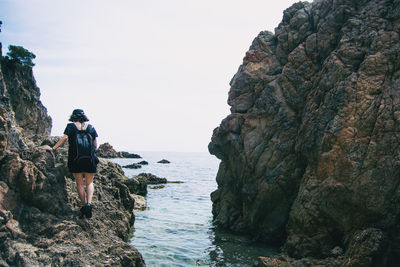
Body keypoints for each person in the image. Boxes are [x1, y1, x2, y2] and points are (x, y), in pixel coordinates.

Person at [47, 109, 99, 218]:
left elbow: (65, 138)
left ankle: (84, 206)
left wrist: (53, 148)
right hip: (90, 159)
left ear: (73, 116)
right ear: (84, 116)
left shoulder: (70, 126)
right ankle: (89, 204)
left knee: (79, 183)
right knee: (89, 183)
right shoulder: (91, 127)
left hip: (76, 159)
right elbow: (95, 145)